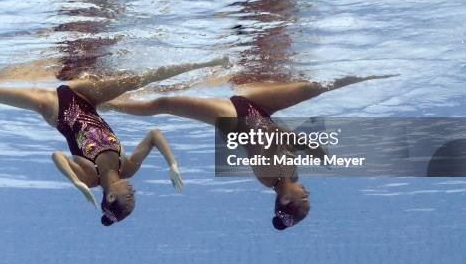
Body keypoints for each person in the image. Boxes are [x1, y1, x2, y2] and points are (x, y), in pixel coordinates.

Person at [0, 58, 226, 226]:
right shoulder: (127, 168)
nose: (133, 195)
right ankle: (205, 63)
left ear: (112, 199)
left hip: (57, 109)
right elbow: (155, 135)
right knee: (140, 79)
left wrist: (77, 183)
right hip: (88, 100)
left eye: (129, 200)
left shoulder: (89, 177)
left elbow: (57, 155)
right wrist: (172, 163)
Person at [102, 74, 395, 229]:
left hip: (235, 114)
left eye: (303, 200)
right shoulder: (289, 175)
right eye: (307, 199)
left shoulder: (268, 174)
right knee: (314, 87)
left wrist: (308, 146)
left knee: (164, 105)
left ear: (284, 199)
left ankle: (105, 103)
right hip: (261, 110)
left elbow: (269, 133)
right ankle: (372, 73)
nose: (308, 193)